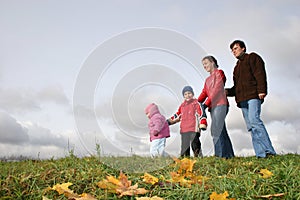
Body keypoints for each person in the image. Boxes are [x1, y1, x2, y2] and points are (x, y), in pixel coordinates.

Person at [226, 40, 276, 158]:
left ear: (243, 48)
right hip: (242, 100)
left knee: (255, 120)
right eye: (232, 50)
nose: (234, 51)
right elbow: (237, 87)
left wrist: (262, 90)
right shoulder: (236, 68)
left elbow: (260, 73)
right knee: (251, 127)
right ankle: (261, 154)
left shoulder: (253, 57)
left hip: (253, 95)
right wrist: (226, 92)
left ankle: (269, 151)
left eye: (236, 48)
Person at [198, 56, 235, 158]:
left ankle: (220, 155)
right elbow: (204, 92)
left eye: (206, 63)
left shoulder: (219, 73)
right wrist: (196, 103)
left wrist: (206, 103)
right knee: (221, 130)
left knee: (216, 129)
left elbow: (217, 89)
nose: (204, 66)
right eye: (203, 65)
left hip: (220, 104)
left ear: (213, 62)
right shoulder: (207, 80)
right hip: (212, 107)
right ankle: (229, 155)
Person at [167, 86, 207, 157]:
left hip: (193, 129)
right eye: (185, 94)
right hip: (184, 129)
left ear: (193, 94)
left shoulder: (196, 104)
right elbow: (177, 115)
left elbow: (201, 114)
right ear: (183, 96)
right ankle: (185, 159)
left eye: (189, 93)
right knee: (185, 146)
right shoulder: (182, 106)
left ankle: (198, 157)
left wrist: (203, 122)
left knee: (195, 144)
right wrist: (168, 122)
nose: (187, 95)